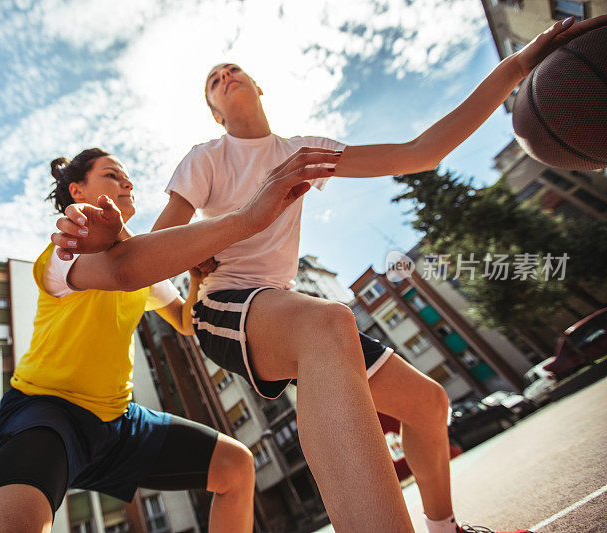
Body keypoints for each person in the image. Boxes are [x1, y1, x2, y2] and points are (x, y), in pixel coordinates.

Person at [54, 15, 607, 533]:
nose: (225, 77)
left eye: (233, 70)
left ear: (259, 89)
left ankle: (444, 527)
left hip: (281, 305)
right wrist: (133, 247)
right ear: (216, 116)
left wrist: (519, 64)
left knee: (428, 404)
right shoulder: (206, 159)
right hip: (224, 309)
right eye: (214, 82)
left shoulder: (303, 152)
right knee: (328, 324)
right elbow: (156, 246)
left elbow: (420, 152)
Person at [0, 146, 341, 533]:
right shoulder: (64, 250)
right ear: (77, 191)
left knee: (236, 467)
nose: (127, 181)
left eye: (126, 176)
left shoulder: (142, 265)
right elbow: (123, 270)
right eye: (111, 174)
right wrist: (246, 219)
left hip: (118, 421)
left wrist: (195, 280)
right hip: (47, 411)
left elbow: (182, 319)